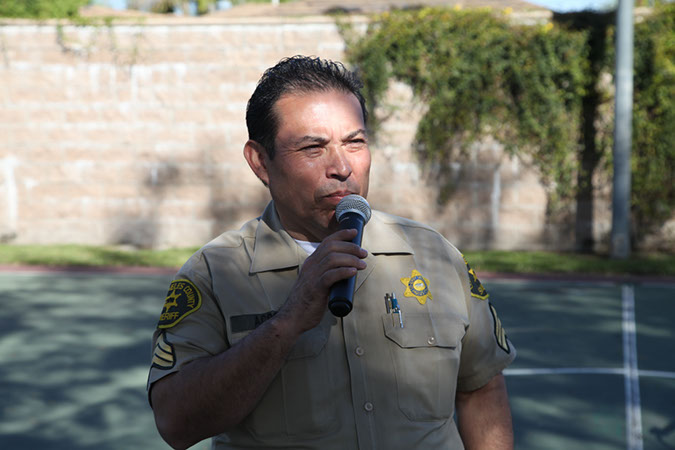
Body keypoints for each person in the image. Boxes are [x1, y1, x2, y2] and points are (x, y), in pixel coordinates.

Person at [147, 55, 516, 450]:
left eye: (355, 142)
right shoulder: (214, 273)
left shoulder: (435, 255)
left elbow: (481, 388)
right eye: (313, 147)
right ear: (260, 162)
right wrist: (285, 324)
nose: (342, 167)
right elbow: (176, 423)